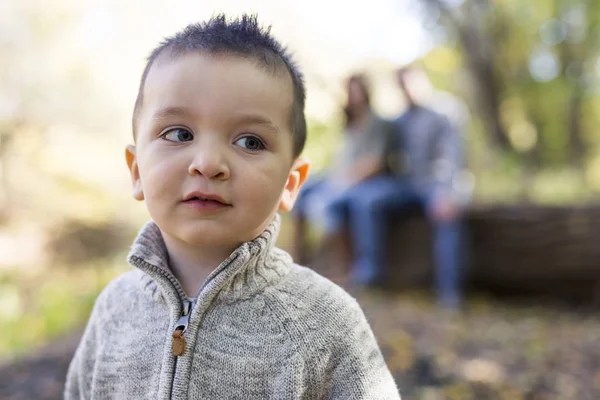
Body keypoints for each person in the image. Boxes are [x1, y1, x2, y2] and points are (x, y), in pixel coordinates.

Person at [64, 15, 400, 399]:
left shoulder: (325, 322)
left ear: (290, 185)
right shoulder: (113, 310)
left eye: (250, 142)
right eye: (179, 134)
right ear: (137, 170)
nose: (207, 163)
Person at [340, 65, 470, 309]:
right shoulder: (400, 121)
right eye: (402, 85)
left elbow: (455, 157)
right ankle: (371, 275)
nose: (407, 90)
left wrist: (448, 191)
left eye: (411, 82)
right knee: (366, 199)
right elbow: (386, 158)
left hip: (439, 185)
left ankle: (449, 292)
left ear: (423, 80)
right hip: (408, 186)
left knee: (446, 216)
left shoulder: (447, 110)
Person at [292, 74, 397, 268]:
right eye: (351, 90)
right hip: (336, 173)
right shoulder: (348, 121)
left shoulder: (378, 123)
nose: (354, 95)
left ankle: (343, 264)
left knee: (327, 204)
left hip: (358, 180)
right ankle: (299, 253)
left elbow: (376, 162)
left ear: (366, 92)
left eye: (357, 90)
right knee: (301, 188)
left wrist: (344, 181)